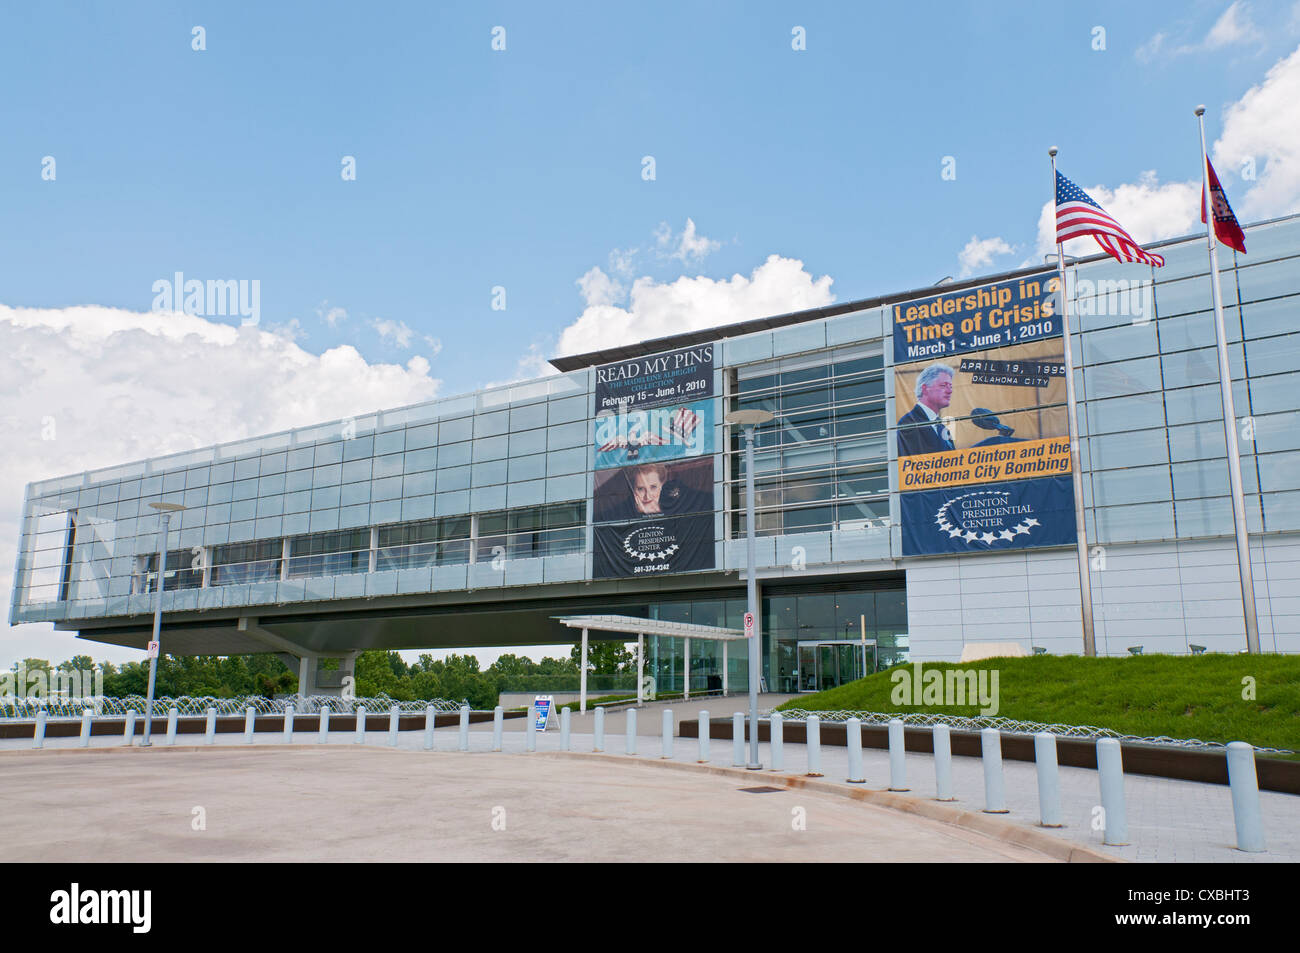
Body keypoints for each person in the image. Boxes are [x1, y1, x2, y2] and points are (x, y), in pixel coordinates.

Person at [897, 363, 956, 457]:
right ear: (925, 389)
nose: (950, 391)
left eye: (951, 386)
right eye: (943, 385)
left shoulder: (942, 427)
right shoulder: (908, 423)